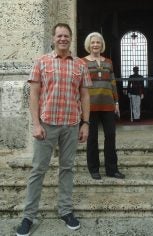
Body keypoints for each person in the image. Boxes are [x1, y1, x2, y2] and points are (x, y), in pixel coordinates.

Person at [16, 23, 92, 236]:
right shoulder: (41, 61)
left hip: (71, 124)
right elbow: (33, 95)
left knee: (67, 169)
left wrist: (85, 123)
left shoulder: (80, 65)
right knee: (38, 170)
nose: (63, 39)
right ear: (53, 38)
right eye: (59, 35)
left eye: (66, 36)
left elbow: (85, 95)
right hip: (47, 124)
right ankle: (28, 216)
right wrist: (36, 124)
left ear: (70, 38)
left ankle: (65, 210)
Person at [82, 32, 125, 180]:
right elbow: (80, 85)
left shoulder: (108, 62)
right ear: (89, 45)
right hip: (90, 106)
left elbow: (112, 83)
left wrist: (117, 102)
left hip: (108, 105)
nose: (95, 45)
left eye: (98, 43)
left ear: (102, 45)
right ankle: (94, 169)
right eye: (93, 42)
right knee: (92, 138)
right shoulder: (82, 62)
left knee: (110, 137)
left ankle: (111, 169)